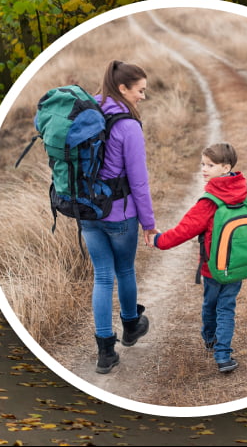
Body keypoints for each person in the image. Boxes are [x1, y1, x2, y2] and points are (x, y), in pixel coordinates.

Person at [152, 143, 247, 373]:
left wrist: (158, 241)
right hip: (237, 266)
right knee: (226, 308)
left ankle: (211, 341)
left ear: (226, 167)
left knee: (212, 305)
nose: (204, 169)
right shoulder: (244, 192)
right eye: (202, 164)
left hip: (213, 268)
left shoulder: (208, 202)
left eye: (210, 165)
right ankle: (223, 355)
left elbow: (183, 231)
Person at [81, 60, 157, 375]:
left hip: (86, 209)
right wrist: (149, 224)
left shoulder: (85, 112)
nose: (143, 96)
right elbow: (138, 183)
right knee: (124, 269)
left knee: (102, 276)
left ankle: (105, 352)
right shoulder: (128, 126)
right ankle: (130, 327)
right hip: (119, 214)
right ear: (123, 88)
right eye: (140, 91)